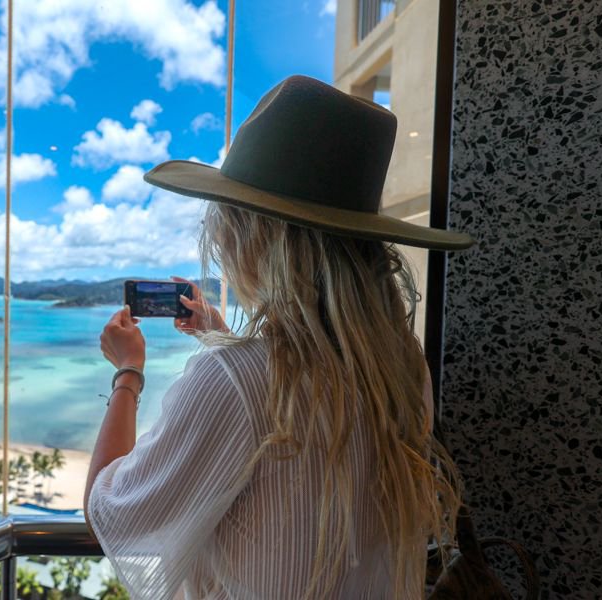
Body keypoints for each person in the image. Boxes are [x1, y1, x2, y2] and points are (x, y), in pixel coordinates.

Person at [84, 75, 472, 599]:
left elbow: (111, 514)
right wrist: (219, 337)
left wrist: (127, 374)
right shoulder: (401, 368)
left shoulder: (236, 379)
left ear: (256, 235)